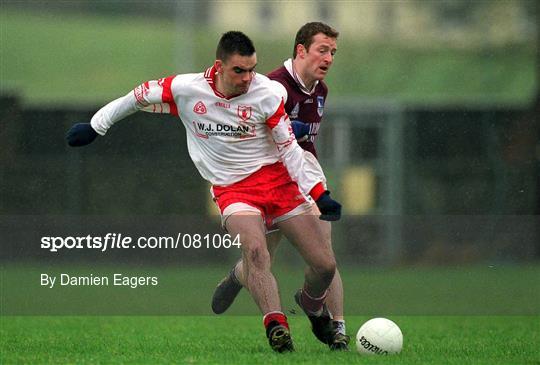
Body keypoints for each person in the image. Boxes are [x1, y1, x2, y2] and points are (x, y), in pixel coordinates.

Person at [66, 31, 342, 353]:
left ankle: (311, 305)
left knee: (325, 266)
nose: (248, 78)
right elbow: (136, 97)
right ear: (219, 66)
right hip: (233, 189)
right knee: (256, 252)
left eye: (252, 69)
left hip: (279, 183)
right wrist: (96, 127)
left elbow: (290, 150)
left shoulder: (267, 92)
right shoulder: (186, 88)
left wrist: (319, 193)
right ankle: (276, 326)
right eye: (239, 70)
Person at [211, 22, 350, 351]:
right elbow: (244, 128)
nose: (329, 57)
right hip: (265, 179)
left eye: (333, 52)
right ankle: (240, 274)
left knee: (324, 255)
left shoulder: (321, 90)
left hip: (301, 176)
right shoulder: (272, 85)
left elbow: (302, 145)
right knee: (261, 259)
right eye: (322, 50)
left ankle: (334, 324)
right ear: (301, 50)